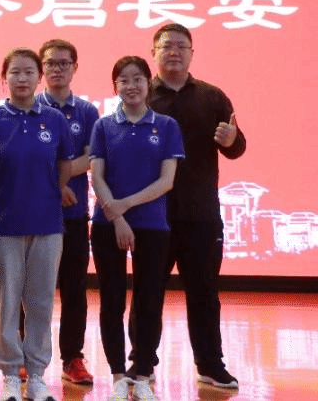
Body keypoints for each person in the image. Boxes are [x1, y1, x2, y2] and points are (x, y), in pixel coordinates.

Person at [145, 23, 246, 389]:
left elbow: (236, 146)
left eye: (181, 46)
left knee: (204, 293)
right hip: (152, 214)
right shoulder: (142, 96)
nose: (174, 51)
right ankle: (142, 363)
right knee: (148, 293)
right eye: (166, 46)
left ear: (192, 53)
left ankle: (210, 364)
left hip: (201, 214)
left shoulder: (212, 96)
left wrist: (232, 140)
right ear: (153, 52)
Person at [0, 48, 76, 401]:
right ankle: (9, 374)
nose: (22, 78)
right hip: (3, 225)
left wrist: (52, 192)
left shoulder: (55, 120)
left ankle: (36, 375)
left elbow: (64, 165)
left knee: (40, 303)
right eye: (15, 72)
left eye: (29, 72)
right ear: (5, 78)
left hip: (47, 225)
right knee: (6, 304)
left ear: (39, 77)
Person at [90, 56, 183, 401]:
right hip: (107, 224)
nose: (131, 86)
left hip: (152, 225)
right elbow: (97, 177)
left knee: (149, 300)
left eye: (138, 79)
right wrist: (116, 218)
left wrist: (125, 206)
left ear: (148, 83)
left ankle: (142, 373)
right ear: (115, 87)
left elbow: (167, 181)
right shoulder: (103, 126)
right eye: (124, 80)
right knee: (112, 301)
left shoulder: (166, 126)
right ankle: (118, 375)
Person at [35, 40, 99, 386]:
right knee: (33, 292)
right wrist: (56, 185)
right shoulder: (31, 107)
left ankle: (72, 357)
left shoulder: (87, 112)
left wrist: (58, 176)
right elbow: (29, 157)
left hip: (73, 216)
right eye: (50, 63)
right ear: (41, 68)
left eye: (63, 63)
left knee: (74, 291)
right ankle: (29, 358)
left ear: (75, 67)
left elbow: (92, 158)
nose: (57, 69)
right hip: (36, 215)